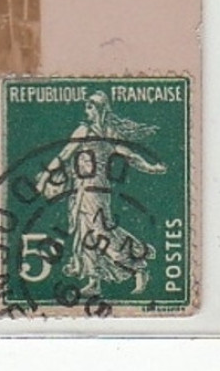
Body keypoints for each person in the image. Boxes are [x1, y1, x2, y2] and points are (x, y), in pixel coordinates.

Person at [35, 92, 166, 296]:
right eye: (86, 107)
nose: (86, 111)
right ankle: (94, 281)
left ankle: (138, 265)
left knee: (100, 233)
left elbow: (129, 156)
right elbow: (64, 156)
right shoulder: (94, 131)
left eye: (90, 107)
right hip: (82, 191)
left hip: (95, 192)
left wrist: (150, 167)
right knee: (85, 235)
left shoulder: (99, 132)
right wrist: (45, 177)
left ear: (99, 109)